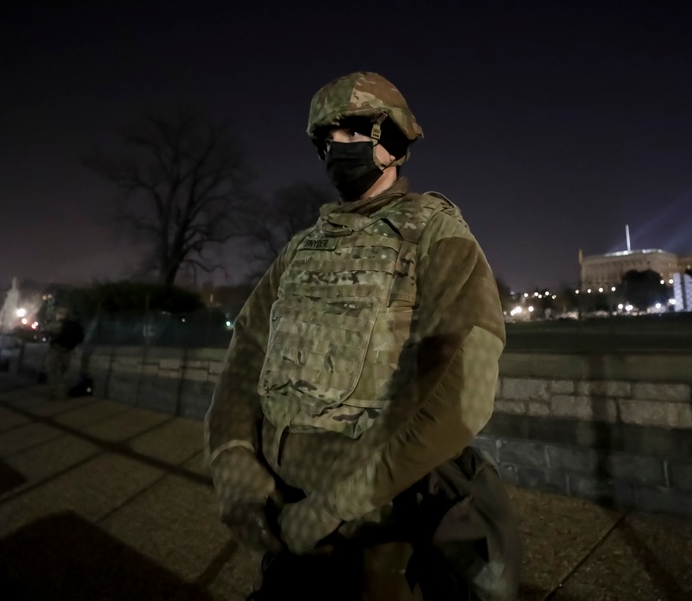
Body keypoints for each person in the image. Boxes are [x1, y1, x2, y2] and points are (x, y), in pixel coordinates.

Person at [205, 72, 521, 600]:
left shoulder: (434, 234)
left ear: (390, 141)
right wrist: (233, 460)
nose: (335, 148)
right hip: (288, 515)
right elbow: (246, 358)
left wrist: (335, 505)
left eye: (350, 132)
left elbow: (462, 387)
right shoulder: (300, 250)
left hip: (377, 520)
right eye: (326, 139)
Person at [44, 309, 85, 399]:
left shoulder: (58, 324)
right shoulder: (75, 325)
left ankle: (54, 394)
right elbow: (81, 338)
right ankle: (62, 393)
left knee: (53, 373)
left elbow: (45, 331)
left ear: (60, 314)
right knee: (63, 373)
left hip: (56, 350)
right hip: (67, 351)